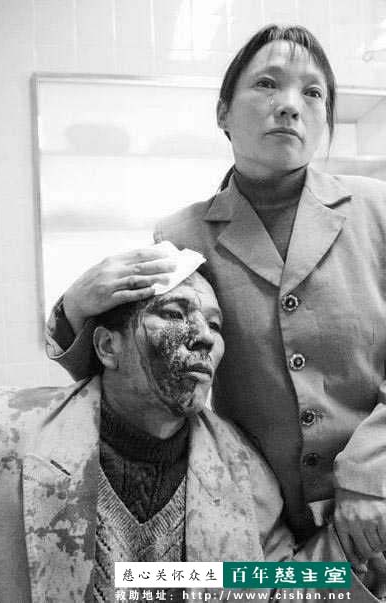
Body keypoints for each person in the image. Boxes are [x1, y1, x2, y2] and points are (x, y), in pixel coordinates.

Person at [46, 25, 386, 573]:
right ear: (223, 112)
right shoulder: (183, 235)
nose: (290, 105)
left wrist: (371, 475)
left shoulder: (376, 210)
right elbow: (139, 371)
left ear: (325, 119)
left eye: (313, 92)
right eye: (268, 84)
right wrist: (74, 305)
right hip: (256, 515)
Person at [0, 271, 381, 602]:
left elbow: (276, 588)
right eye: (174, 313)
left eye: (215, 325)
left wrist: (356, 545)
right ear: (108, 346)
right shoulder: (3, 432)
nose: (204, 337)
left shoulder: (244, 472)